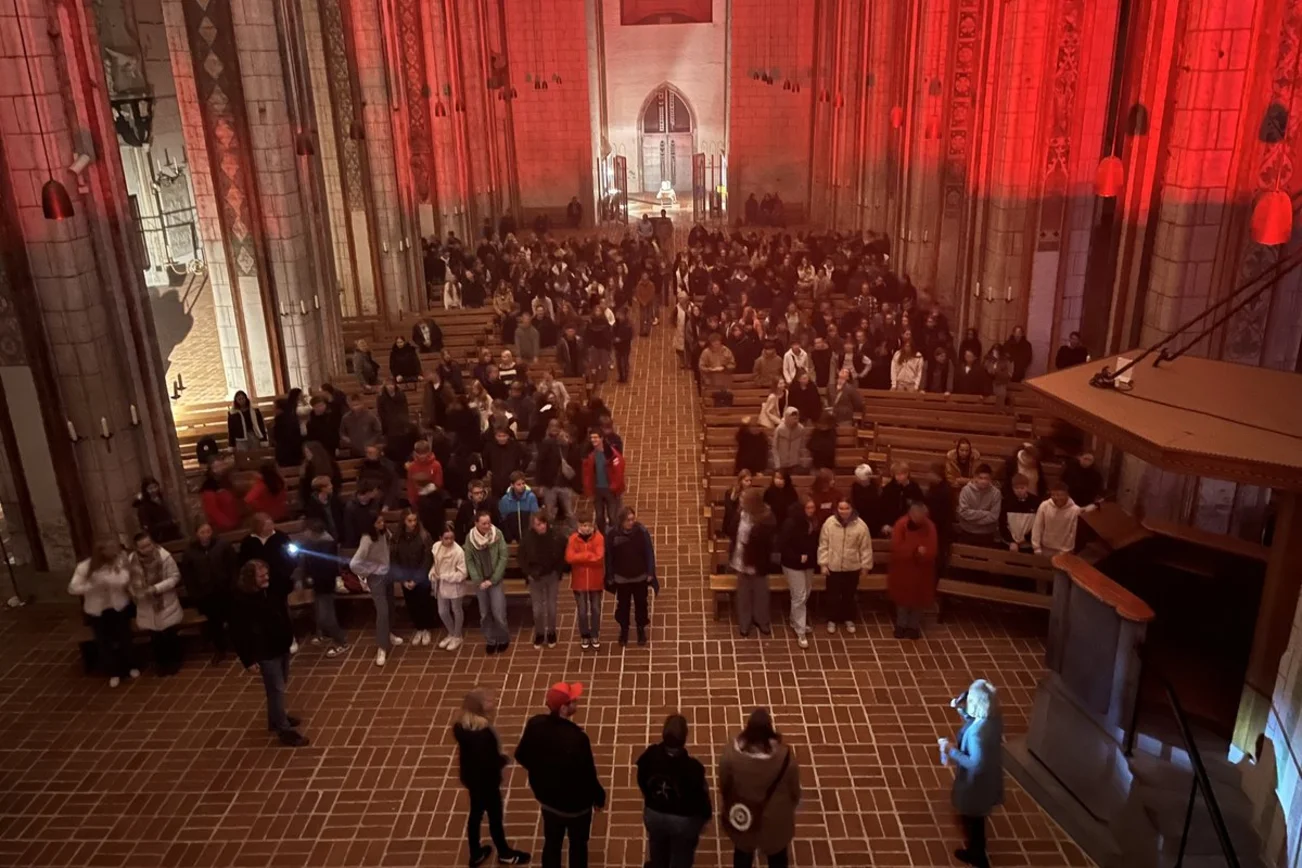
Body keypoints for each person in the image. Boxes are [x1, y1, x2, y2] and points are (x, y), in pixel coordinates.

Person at [515, 682, 606, 868]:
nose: (577, 701)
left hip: (548, 802)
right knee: (578, 846)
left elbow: (521, 755)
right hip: (576, 808)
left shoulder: (535, 724)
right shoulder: (578, 739)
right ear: (564, 708)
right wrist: (599, 797)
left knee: (552, 843)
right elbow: (588, 775)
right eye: (573, 700)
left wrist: (541, 772)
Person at [230, 559, 309, 747]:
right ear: (251, 579)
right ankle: (284, 730)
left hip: (280, 644)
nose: (267, 578)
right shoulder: (241, 600)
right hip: (265, 650)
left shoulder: (271, 588)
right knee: (276, 690)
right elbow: (238, 633)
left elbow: (284, 600)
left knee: (277, 688)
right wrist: (248, 660)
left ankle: (274, 719)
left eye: (267, 574)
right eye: (262, 575)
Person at [453, 688, 532, 866]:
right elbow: (489, 761)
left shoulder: (460, 726)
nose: (493, 702)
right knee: (495, 816)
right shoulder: (484, 734)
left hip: (471, 778)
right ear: (479, 708)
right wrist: (502, 760)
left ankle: (475, 852)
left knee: (475, 814)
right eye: (488, 701)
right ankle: (504, 853)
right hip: (486, 783)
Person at [719, 708, 801, 868]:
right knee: (777, 857)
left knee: (742, 852)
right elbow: (794, 791)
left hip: (744, 814)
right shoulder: (785, 759)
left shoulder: (731, 756)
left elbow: (725, 785)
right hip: (775, 818)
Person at [941, 680, 1004, 868]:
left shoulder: (978, 735)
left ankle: (977, 855)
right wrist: (961, 709)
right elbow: (974, 721)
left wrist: (952, 751)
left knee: (974, 821)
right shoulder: (994, 718)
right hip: (988, 780)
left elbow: (975, 763)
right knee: (976, 819)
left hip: (975, 785)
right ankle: (977, 851)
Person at [636, 714, 712, 868]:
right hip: (682, 821)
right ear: (684, 739)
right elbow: (700, 799)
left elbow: (641, 779)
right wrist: (705, 816)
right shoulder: (693, 769)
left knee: (657, 845)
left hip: (654, 813)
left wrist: (650, 799)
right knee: (682, 853)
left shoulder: (650, 755)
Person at [69, 540, 137, 686]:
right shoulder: (85, 567)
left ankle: (130, 666)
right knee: (104, 642)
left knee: (125, 638)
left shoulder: (118, 563)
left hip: (118, 607)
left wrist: (111, 579)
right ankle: (113, 672)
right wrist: (92, 585)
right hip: (97, 611)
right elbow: (73, 588)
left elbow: (125, 580)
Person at [351, 512, 404, 666]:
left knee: (391, 605)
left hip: (387, 574)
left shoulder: (384, 533)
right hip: (376, 578)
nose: (382, 524)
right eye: (379, 522)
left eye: (382, 521)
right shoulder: (367, 540)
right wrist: (369, 570)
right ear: (372, 524)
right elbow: (354, 564)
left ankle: (389, 633)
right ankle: (382, 646)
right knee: (382, 611)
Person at [182, 522, 238, 664]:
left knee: (233, 619)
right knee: (214, 623)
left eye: (208, 531)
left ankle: (238, 645)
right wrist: (195, 594)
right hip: (206, 594)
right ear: (197, 534)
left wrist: (233, 586)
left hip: (225, 590)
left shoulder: (223, 545)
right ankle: (220, 649)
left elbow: (233, 567)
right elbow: (189, 576)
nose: (206, 535)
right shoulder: (190, 552)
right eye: (202, 532)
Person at [817, 497, 873, 635]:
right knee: (833, 595)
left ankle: (848, 619)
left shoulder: (861, 526)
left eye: (846, 508)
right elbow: (823, 545)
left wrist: (865, 566)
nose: (843, 511)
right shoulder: (829, 523)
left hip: (852, 566)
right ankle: (832, 619)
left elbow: (865, 548)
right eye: (841, 508)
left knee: (849, 595)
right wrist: (823, 564)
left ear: (851, 508)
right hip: (833, 566)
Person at [606, 506, 659, 647]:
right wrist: (610, 575)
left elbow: (649, 552)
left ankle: (641, 629)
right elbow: (609, 556)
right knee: (623, 606)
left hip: (640, 577)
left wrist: (650, 572)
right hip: (622, 578)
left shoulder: (641, 532)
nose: (631, 522)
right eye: (628, 520)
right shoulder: (613, 535)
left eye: (633, 519)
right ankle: (624, 630)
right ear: (621, 521)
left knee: (641, 605)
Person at [297, 518, 349, 657]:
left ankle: (341, 642)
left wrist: (311, 578)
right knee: (320, 615)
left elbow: (329, 568)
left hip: (325, 585)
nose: (303, 534)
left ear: (313, 532)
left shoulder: (327, 544)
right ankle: (323, 635)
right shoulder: (310, 543)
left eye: (306, 531)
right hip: (318, 585)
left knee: (327, 617)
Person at [517, 508, 566, 650]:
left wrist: (558, 571)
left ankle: (551, 632)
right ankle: (539, 633)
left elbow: (562, 553)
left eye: (543, 523)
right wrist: (529, 573)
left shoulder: (555, 536)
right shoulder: (527, 539)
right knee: (537, 609)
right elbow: (522, 558)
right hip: (535, 578)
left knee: (551, 608)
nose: (542, 526)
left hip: (551, 576)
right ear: (533, 525)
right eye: (538, 524)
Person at [731, 488, 777, 638]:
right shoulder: (740, 514)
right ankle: (744, 623)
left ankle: (762, 621)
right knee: (743, 594)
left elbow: (767, 543)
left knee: (761, 593)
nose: (741, 502)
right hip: (741, 559)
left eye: (744, 500)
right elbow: (731, 529)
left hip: (758, 562)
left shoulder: (766, 519)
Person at [889, 501, 938, 639]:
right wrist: (915, 551)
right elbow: (896, 547)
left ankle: (913, 626)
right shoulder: (901, 524)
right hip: (903, 568)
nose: (919, 520)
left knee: (918, 599)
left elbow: (932, 549)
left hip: (923, 570)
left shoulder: (930, 526)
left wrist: (923, 554)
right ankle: (901, 625)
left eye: (922, 517)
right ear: (911, 514)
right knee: (902, 598)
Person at [466, 510, 511, 654]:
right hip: (480, 582)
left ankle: (503, 639)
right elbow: (469, 560)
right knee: (484, 613)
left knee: (498, 612)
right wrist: (478, 580)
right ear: (476, 524)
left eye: (488, 522)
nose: (487, 526)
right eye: (484, 523)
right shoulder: (470, 538)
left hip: (495, 580)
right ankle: (491, 640)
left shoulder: (497, 534)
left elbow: (503, 556)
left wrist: (493, 579)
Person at [392, 510, 436, 646]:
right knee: (412, 604)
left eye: (414, 520)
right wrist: (403, 579)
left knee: (424, 602)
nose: (413, 524)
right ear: (403, 521)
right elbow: (394, 559)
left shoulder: (424, 536)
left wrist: (417, 579)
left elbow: (427, 558)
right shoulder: (397, 537)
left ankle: (426, 628)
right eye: (409, 521)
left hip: (421, 577)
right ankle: (419, 628)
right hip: (406, 577)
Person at [566, 514, 606, 650]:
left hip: (595, 580)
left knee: (596, 609)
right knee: (582, 611)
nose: (586, 528)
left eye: (589, 525)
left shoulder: (599, 538)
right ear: (578, 526)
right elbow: (569, 557)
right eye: (583, 525)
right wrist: (589, 555)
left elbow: (599, 557)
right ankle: (584, 634)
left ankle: (595, 634)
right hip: (579, 582)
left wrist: (581, 558)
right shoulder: (573, 539)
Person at [1032, 480, 1093, 556]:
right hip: (1046, 548)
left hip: (1064, 551)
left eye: (1060, 495)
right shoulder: (1044, 506)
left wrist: (1065, 550)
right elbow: (1038, 526)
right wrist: (1036, 547)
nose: (1056, 498)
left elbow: (1073, 533)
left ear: (1067, 494)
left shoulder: (1075, 510)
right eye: (1053, 495)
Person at [582, 430, 626, 532]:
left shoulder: (611, 454)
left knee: (613, 516)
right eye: (592, 438)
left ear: (601, 438)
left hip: (610, 490)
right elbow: (587, 474)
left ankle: (614, 534)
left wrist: (613, 487)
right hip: (597, 490)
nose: (593, 440)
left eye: (595, 437)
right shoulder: (591, 455)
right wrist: (589, 490)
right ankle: (603, 535)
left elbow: (619, 470)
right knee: (599, 516)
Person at [956, 464, 1002, 544]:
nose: (983, 481)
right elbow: (963, 512)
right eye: (980, 478)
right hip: (967, 531)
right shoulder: (966, 490)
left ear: (990, 479)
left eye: (986, 478)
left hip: (987, 533)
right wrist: (985, 513)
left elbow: (994, 516)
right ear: (975, 478)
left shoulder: (996, 493)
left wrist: (972, 521)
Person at [878, 462, 924, 536]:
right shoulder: (889, 489)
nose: (900, 477)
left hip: (910, 524)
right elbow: (882, 508)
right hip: (891, 524)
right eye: (897, 475)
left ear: (907, 474)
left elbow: (920, 505)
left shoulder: (914, 488)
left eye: (902, 474)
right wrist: (885, 524)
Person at [999, 473, 1042, 553]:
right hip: (1009, 544)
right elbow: (1002, 524)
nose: (1019, 491)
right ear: (1012, 488)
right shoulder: (1007, 501)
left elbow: (1038, 524)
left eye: (1022, 488)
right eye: (1016, 488)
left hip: (1027, 544)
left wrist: (1025, 538)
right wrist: (1011, 541)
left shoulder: (1036, 502)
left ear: (1027, 487)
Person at [200, 459, 243, 533]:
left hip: (236, 523)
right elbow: (213, 511)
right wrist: (228, 524)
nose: (220, 469)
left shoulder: (226, 481)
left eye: (221, 466)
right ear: (211, 470)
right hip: (223, 528)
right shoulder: (208, 487)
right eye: (216, 467)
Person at [134, 477, 181, 543]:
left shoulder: (163, 500)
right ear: (145, 490)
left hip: (172, 532)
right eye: (150, 488)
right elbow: (148, 526)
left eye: (155, 487)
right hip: (159, 537)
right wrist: (168, 523)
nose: (154, 490)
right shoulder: (143, 506)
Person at [499, 471, 540, 543]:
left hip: (529, 539)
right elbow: (504, 522)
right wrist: (510, 538)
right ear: (512, 485)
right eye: (518, 484)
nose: (522, 486)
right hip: (512, 539)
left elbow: (535, 518)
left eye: (523, 483)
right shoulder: (505, 500)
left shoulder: (531, 497)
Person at [339, 392, 383, 458]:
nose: (355, 407)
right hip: (354, 450)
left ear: (362, 403)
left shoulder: (370, 416)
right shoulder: (345, 418)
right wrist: (345, 438)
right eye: (353, 405)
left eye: (357, 404)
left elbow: (378, 430)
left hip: (369, 450)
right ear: (350, 405)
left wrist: (371, 442)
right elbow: (342, 432)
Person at [770, 408, 809, 474]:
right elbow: (774, 448)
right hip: (781, 465)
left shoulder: (801, 429)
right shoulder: (779, 429)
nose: (795, 418)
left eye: (796, 416)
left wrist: (802, 463)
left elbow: (803, 447)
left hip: (795, 464)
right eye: (792, 416)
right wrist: (777, 465)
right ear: (787, 417)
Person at [273, 389, 306, 468]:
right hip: (295, 451)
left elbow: (278, 436)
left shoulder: (281, 420)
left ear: (280, 409)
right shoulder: (292, 418)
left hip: (286, 452)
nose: (273, 409)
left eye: (275, 407)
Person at [613, 308, 634, 383]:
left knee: (625, 361)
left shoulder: (628, 324)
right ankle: (621, 376)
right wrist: (614, 338)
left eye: (620, 315)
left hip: (625, 346)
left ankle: (625, 376)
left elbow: (630, 335)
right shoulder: (616, 323)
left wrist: (621, 339)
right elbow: (613, 331)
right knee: (618, 362)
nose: (618, 316)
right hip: (617, 346)